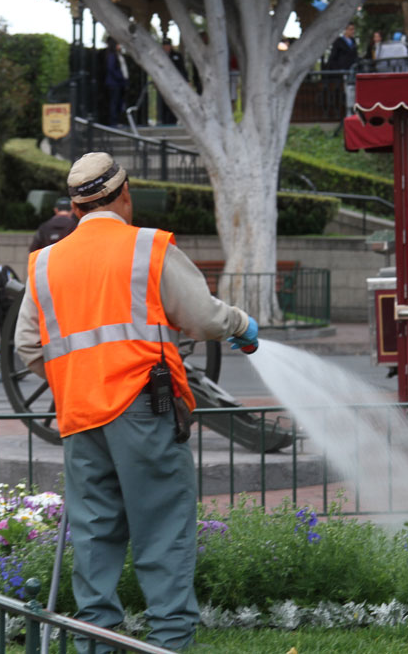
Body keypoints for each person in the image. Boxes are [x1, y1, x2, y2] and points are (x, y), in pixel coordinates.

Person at [14, 152, 258, 652]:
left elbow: (26, 348)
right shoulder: (146, 247)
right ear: (125, 195)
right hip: (144, 406)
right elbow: (203, 318)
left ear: (77, 207)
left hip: (80, 413)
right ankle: (167, 642)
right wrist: (239, 324)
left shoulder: (46, 263)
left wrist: (77, 375)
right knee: (163, 529)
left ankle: (95, 643)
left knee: (95, 532)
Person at [156, 37, 188, 125]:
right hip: (163, 84)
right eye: (165, 45)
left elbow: (183, 70)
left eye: (168, 45)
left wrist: (186, 81)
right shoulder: (159, 56)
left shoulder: (177, 56)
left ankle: (173, 121)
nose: (166, 47)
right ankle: (163, 121)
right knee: (163, 104)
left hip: (175, 84)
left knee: (174, 102)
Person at [104, 37, 129, 127]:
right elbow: (111, 69)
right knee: (114, 102)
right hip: (114, 83)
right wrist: (121, 77)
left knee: (119, 102)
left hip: (120, 83)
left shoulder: (118, 54)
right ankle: (113, 121)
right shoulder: (112, 55)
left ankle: (118, 120)